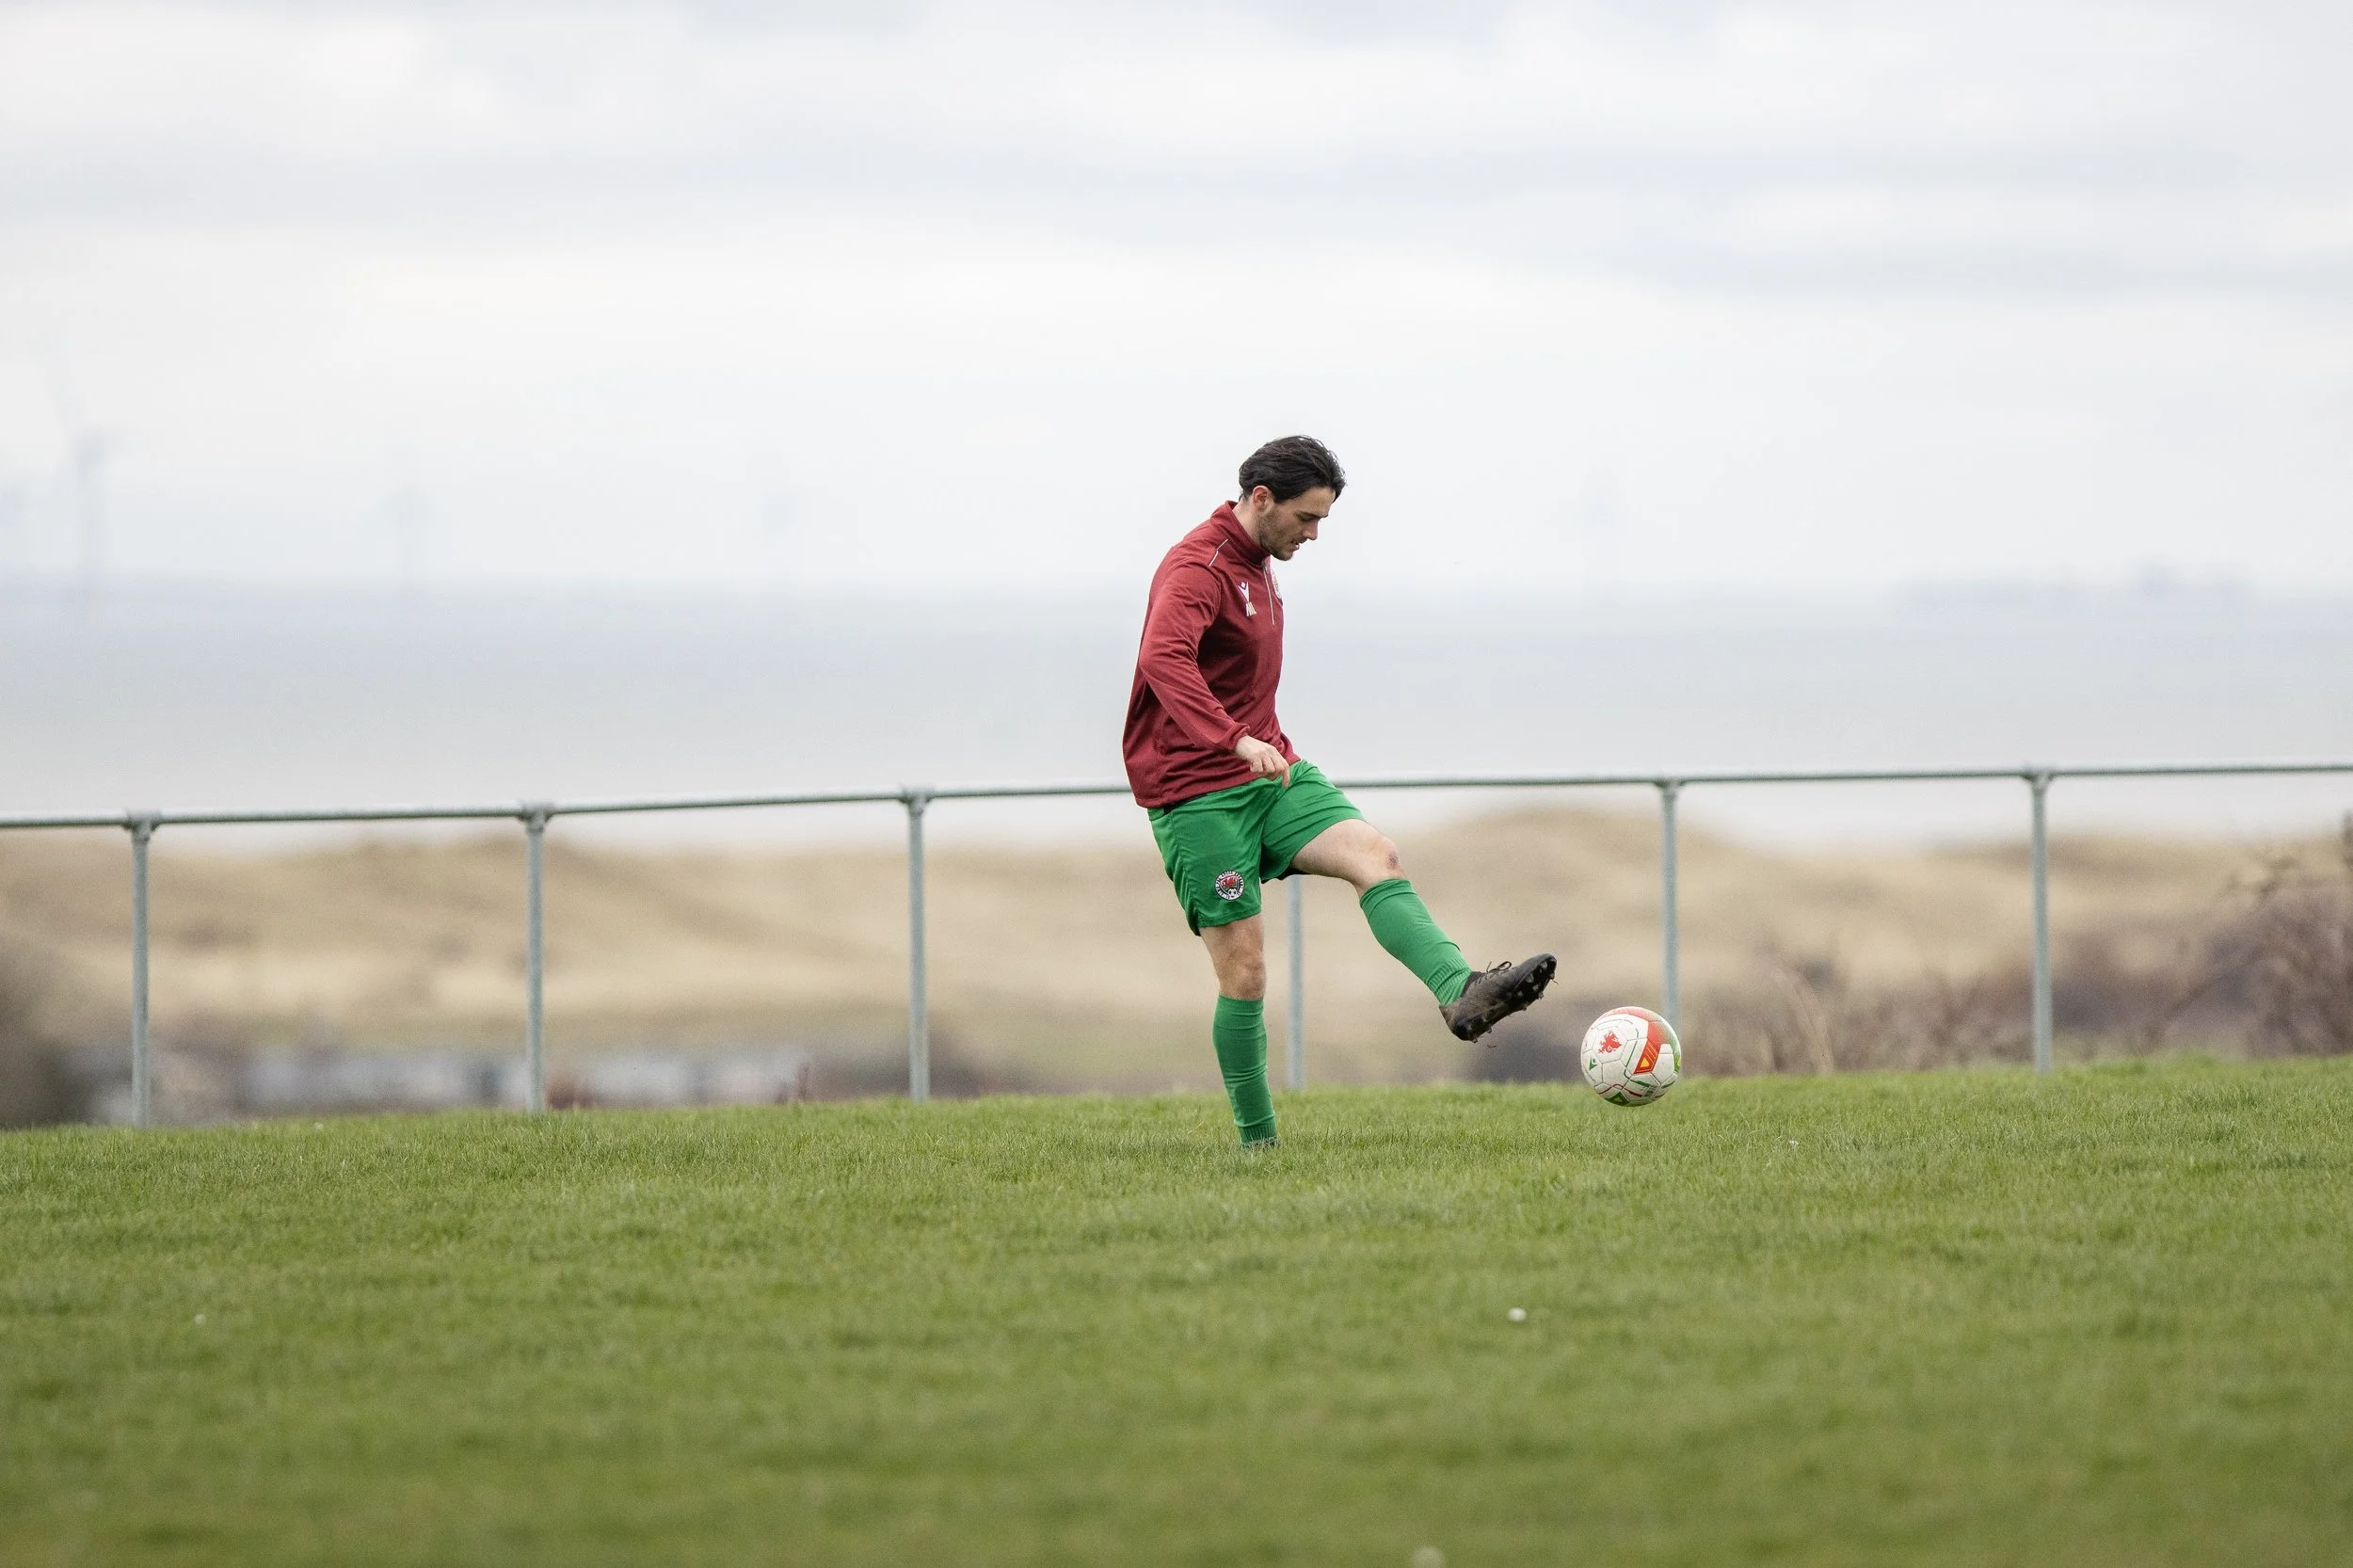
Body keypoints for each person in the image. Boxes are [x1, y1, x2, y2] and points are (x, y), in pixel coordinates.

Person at [1124, 435, 1556, 1147]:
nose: (1314, 534)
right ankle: (1259, 1145)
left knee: (1375, 854)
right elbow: (1162, 660)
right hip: (1198, 788)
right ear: (1261, 500)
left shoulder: (1260, 560)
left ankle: (1460, 991)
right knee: (1246, 975)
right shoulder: (1196, 566)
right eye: (1306, 518)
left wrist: (1260, 743)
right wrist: (1233, 737)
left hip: (1272, 773)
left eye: (1323, 519)